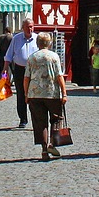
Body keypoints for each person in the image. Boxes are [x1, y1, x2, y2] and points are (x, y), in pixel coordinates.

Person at [24, 33, 67, 162]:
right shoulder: (54, 57)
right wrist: (64, 92)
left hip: (35, 94)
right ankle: (52, 145)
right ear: (50, 43)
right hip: (52, 94)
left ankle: (43, 149)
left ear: (37, 43)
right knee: (56, 119)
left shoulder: (32, 58)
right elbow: (59, 76)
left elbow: (26, 78)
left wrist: (26, 94)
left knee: (39, 122)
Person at [2, 19, 38, 129]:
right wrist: (5, 69)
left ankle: (36, 119)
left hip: (34, 70)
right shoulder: (16, 39)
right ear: (23, 28)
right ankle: (23, 119)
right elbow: (9, 55)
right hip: (19, 70)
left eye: (31, 26)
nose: (29, 29)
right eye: (27, 27)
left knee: (34, 95)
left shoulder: (37, 38)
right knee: (21, 94)